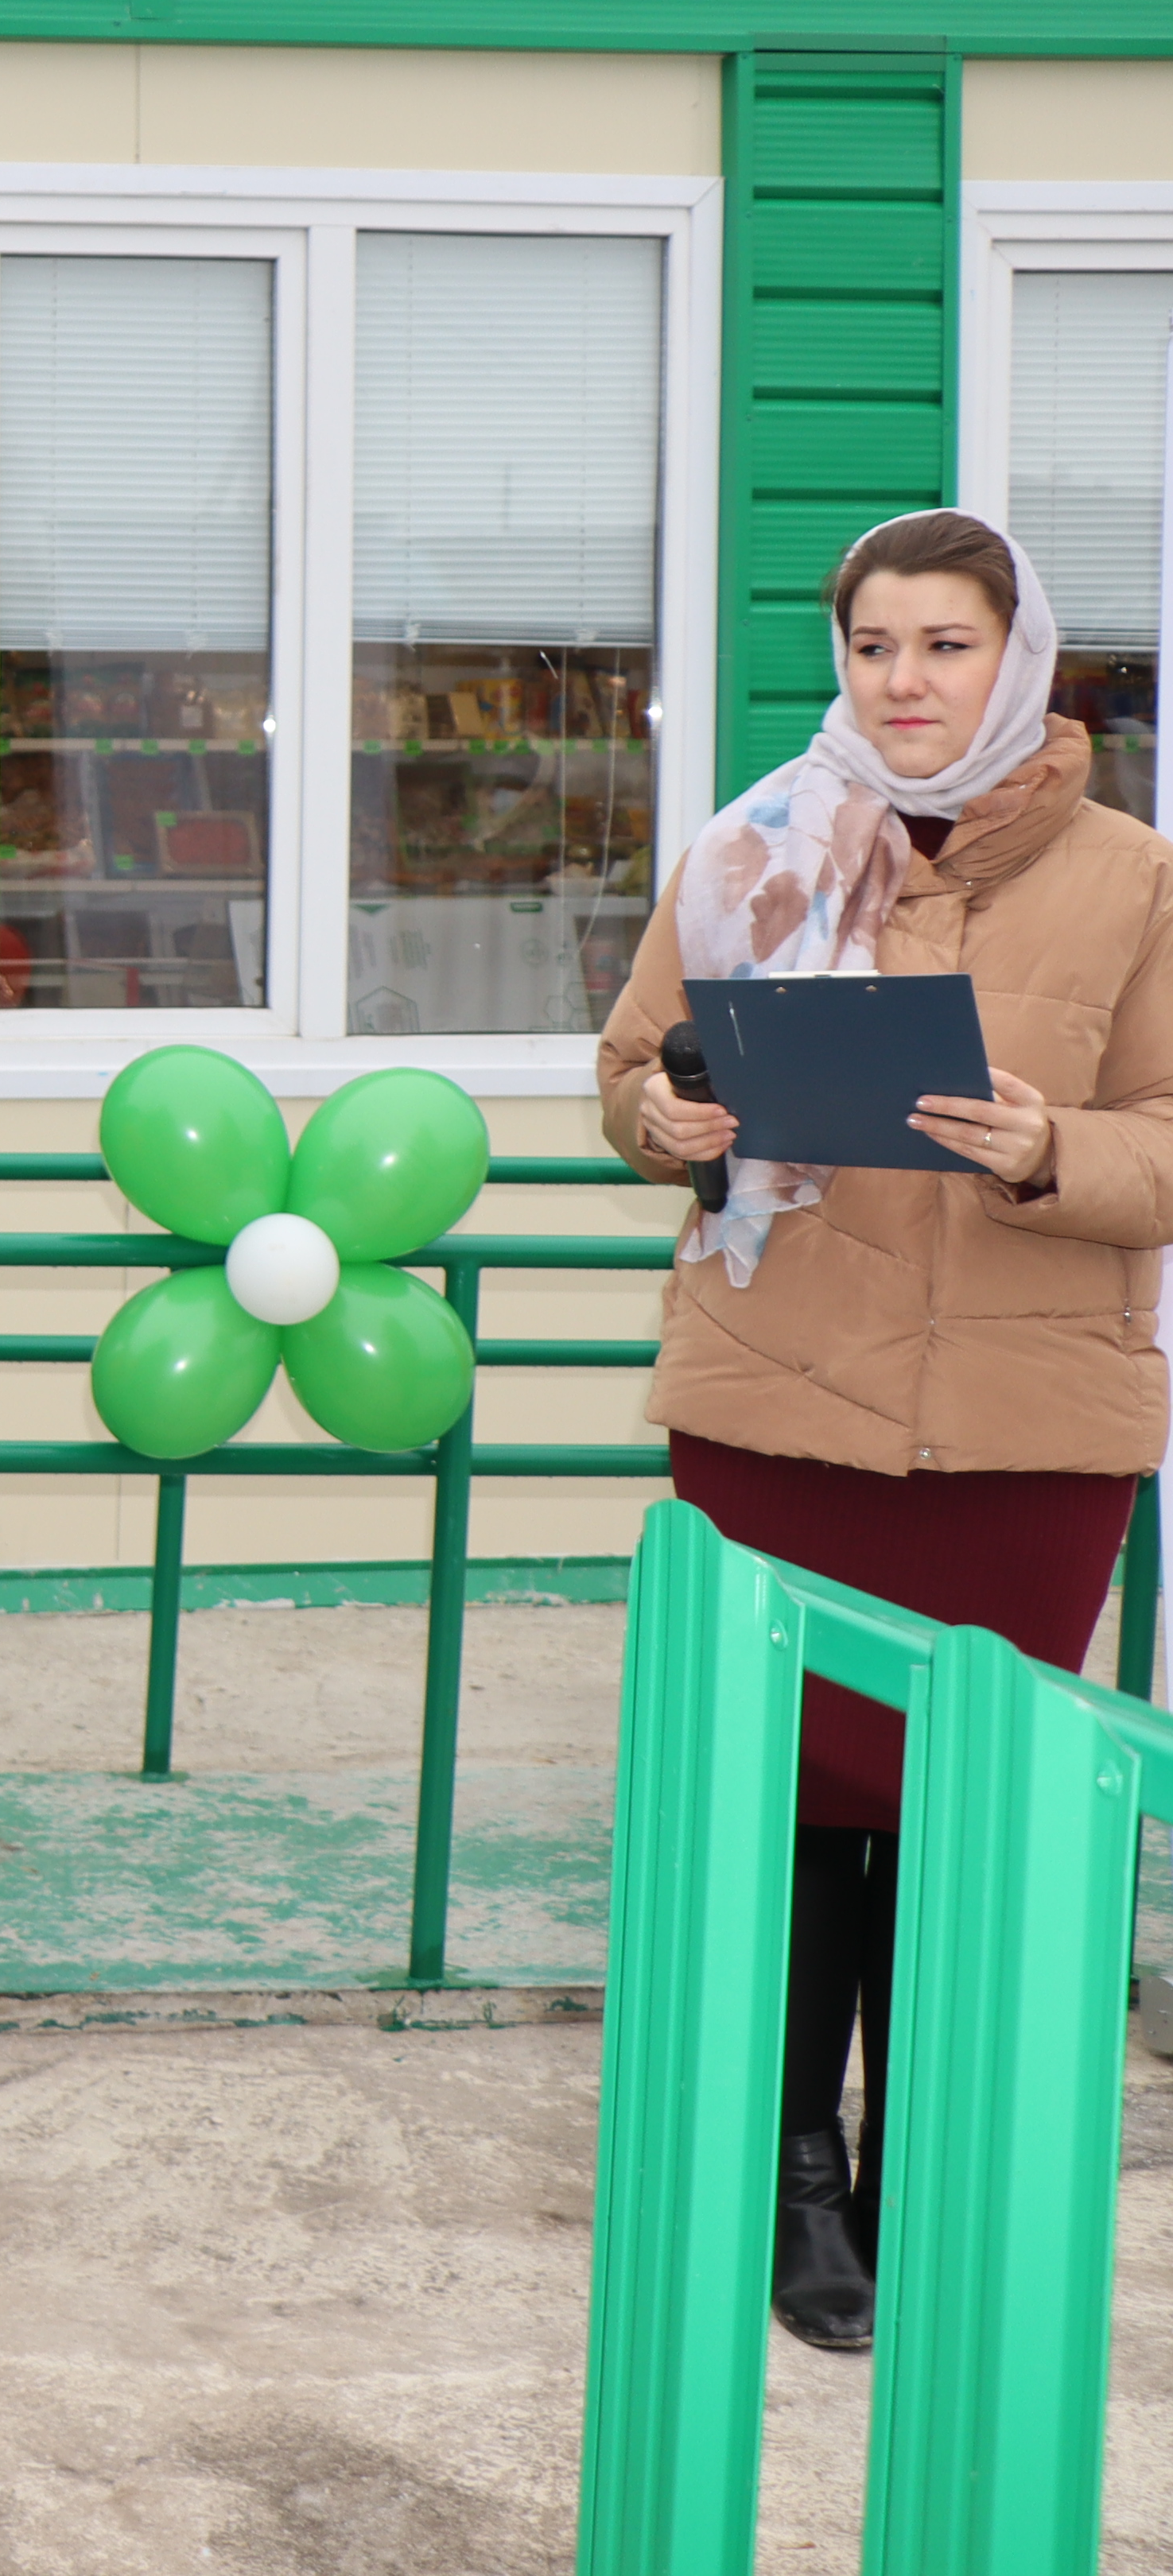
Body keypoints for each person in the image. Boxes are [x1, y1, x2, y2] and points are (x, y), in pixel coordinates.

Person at [603, 506, 1173, 2361]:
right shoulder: (755, 843)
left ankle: (931, 2169)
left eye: (945, 644)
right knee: (796, 1802)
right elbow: (632, 1065)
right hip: (780, 1394)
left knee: (970, 1800)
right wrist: (665, 1124)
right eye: (874, 647)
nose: (905, 681)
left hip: (1027, 1420)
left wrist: (1053, 1151)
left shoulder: (1135, 876)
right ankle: (791, 2180)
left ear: (1021, 658)